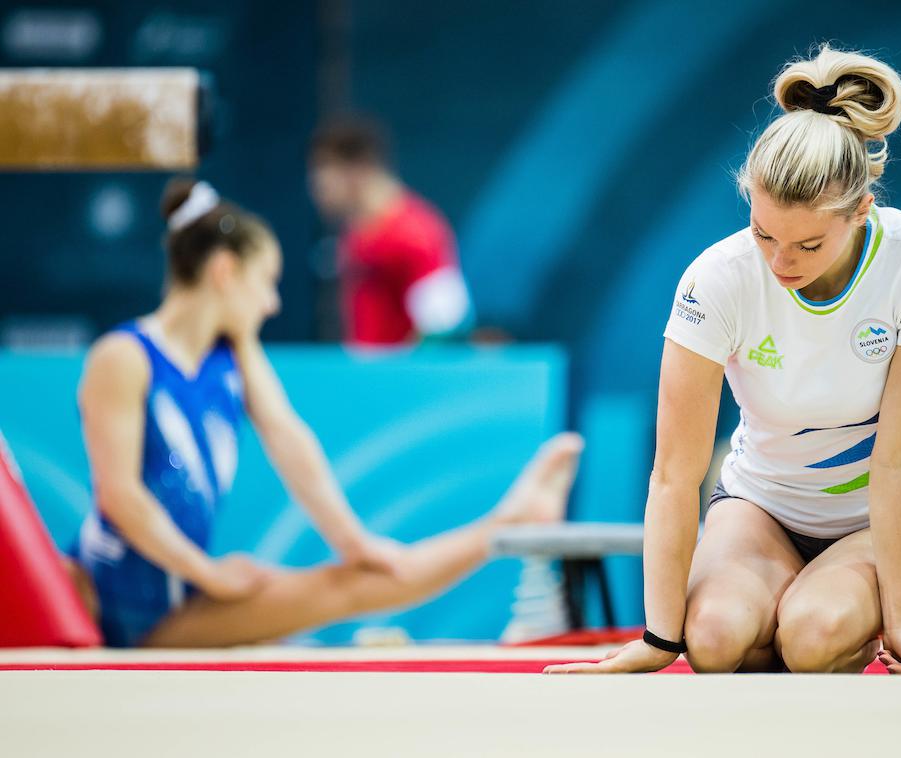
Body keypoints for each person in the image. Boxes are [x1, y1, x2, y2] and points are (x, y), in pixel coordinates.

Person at [546, 46, 901, 675]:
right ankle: (782, 611)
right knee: (714, 643)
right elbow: (673, 474)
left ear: (860, 210)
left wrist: (900, 622)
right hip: (761, 508)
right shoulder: (717, 279)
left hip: (880, 521)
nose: (781, 263)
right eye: (764, 233)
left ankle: (828, 620)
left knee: (811, 638)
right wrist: (659, 641)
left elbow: (900, 452)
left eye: (807, 244)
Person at [70, 178, 581, 647]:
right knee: (358, 587)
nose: (271, 303)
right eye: (266, 282)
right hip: (115, 607)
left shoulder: (232, 355)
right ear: (225, 272)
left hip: (181, 600)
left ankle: (510, 521)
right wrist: (209, 573)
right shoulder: (123, 356)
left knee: (371, 575)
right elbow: (121, 498)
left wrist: (354, 541)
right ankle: (509, 520)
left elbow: (290, 441)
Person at [308, 118, 473, 346]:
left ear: (357, 171)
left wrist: (399, 377)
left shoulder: (416, 233)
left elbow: (444, 328)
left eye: (323, 178)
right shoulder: (355, 233)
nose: (316, 190)